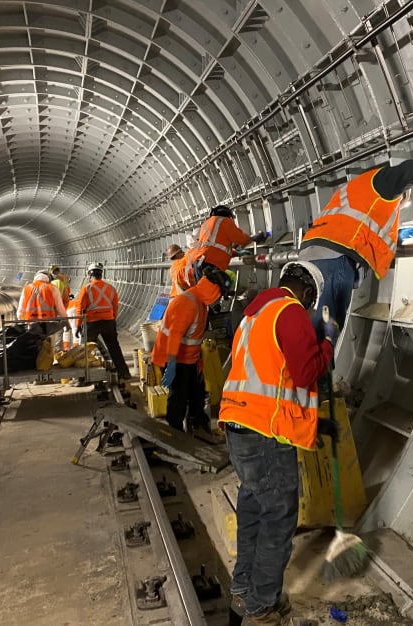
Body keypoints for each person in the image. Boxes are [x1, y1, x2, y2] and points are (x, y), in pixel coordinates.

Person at [219, 262, 340, 625]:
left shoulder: (253, 316)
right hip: (265, 435)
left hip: (239, 427)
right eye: (310, 304)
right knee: (278, 520)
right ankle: (262, 605)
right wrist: (328, 342)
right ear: (306, 294)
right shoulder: (289, 311)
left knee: (253, 512)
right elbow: (304, 374)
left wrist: (315, 422)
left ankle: (244, 590)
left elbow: (273, 377)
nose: (309, 311)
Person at [299, 159, 413, 330]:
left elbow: (363, 224)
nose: (398, 208)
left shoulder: (353, 189)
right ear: (402, 192)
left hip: (308, 255)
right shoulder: (383, 182)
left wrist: (395, 238)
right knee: (324, 333)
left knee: (304, 329)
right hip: (335, 257)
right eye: (400, 205)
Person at [151, 264, 231, 433]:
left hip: (189, 359)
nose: (220, 301)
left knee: (197, 394)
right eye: (220, 296)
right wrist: (171, 366)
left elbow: (193, 338)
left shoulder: (200, 301)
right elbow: (174, 336)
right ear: (214, 291)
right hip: (174, 358)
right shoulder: (187, 302)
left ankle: (199, 427)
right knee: (179, 399)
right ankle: (175, 436)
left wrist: (198, 362)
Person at [73, 263, 131, 386]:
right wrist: (112, 319)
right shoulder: (110, 288)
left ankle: (82, 379)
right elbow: (115, 306)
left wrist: (78, 325)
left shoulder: (86, 288)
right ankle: (124, 372)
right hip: (108, 321)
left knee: (84, 350)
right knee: (114, 348)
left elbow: (80, 308)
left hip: (92, 322)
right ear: (101, 274)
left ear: (90, 275)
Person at [186, 205, 268, 281]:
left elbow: (214, 246)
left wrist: (236, 253)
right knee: (214, 291)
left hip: (199, 263)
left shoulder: (205, 224)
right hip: (210, 264)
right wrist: (253, 238)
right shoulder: (224, 221)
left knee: (204, 293)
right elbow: (239, 238)